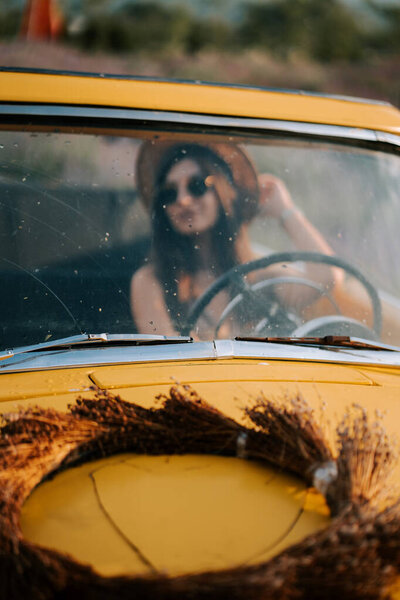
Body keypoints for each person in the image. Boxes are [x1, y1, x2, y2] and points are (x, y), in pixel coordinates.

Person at [130, 140, 339, 338]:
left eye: (197, 186)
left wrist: (285, 211)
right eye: (169, 193)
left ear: (222, 192)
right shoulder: (150, 281)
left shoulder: (257, 277)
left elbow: (327, 277)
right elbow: (170, 361)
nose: (183, 200)